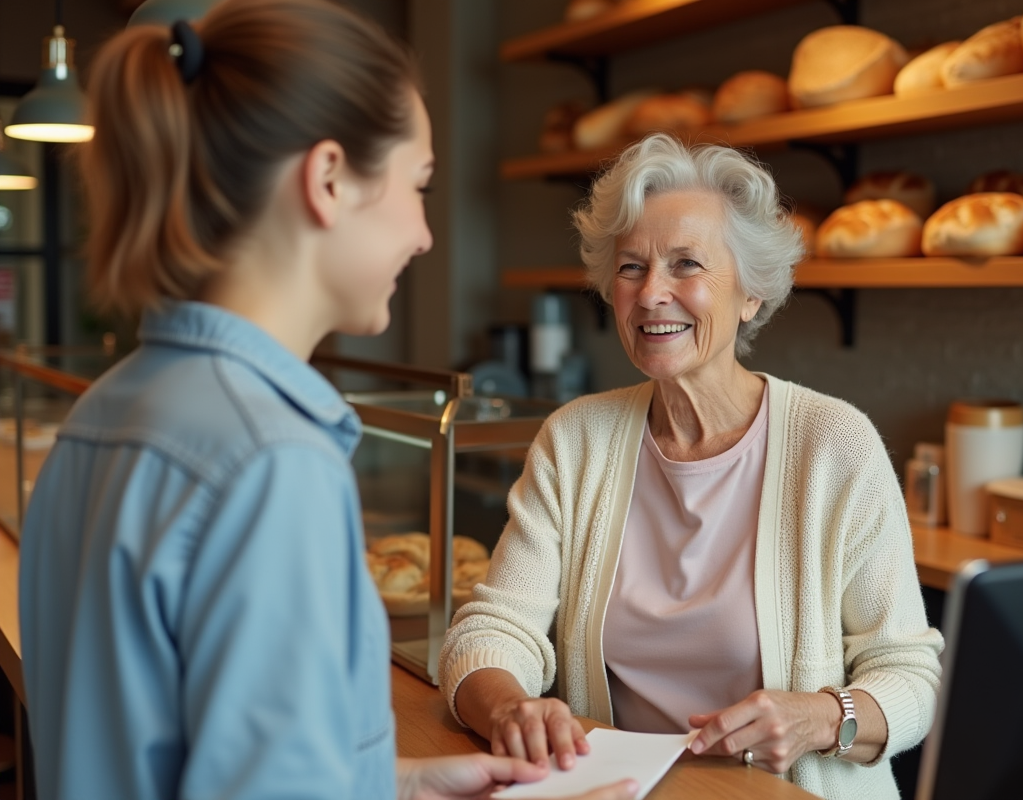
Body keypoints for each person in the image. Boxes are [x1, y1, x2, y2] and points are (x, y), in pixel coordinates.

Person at [16, 3, 636, 799]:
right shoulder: (273, 459)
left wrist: (400, 784)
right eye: (419, 186)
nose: (425, 235)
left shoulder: (103, 409)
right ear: (329, 178)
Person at [439, 133, 945, 800]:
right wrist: (509, 707)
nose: (651, 294)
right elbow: (491, 628)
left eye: (686, 265)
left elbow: (908, 673)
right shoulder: (575, 439)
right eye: (630, 268)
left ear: (751, 294)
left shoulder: (835, 444)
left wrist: (822, 718)